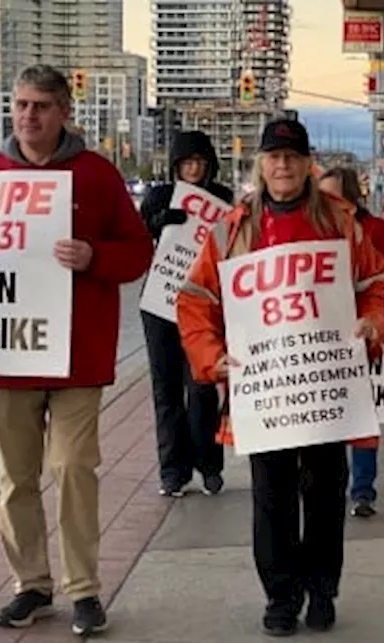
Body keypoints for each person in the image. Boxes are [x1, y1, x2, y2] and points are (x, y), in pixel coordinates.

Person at [0, 65, 153, 637]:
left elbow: (138, 252)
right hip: (11, 354)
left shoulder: (97, 177)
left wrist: (95, 257)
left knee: (73, 467)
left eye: (41, 106)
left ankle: (83, 588)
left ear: (64, 113)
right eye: (21, 105)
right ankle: (31, 584)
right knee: (16, 478)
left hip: (78, 354)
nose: (29, 116)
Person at [176, 119, 384, 637]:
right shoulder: (232, 229)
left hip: (324, 384)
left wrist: (372, 323)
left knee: (324, 492)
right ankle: (280, 595)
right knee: (271, 496)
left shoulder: (340, 222)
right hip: (265, 389)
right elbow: (195, 300)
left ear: (307, 164)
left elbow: (378, 285)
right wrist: (212, 357)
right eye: (274, 157)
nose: (283, 166)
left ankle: (321, 589)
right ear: (261, 164)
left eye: (292, 157)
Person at [137, 131, 233, 497]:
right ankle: (172, 472)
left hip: (204, 303)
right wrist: (158, 221)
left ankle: (209, 465)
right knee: (166, 391)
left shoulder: (222, 199)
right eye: (187, 163)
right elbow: (138, 236)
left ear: (209, 165)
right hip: (160, 303)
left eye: (199, 162)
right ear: (176, 165)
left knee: (204, 387)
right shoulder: (160, 196)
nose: (193, 169)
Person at [318, 166, 384, 519]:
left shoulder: (376, 232)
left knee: (362, 412)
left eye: (332, 195)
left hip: (361, 336)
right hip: (321, 339)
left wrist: (380, 326)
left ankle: (363, 488)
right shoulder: (317, 229)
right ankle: (328, 482)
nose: (324, 202)